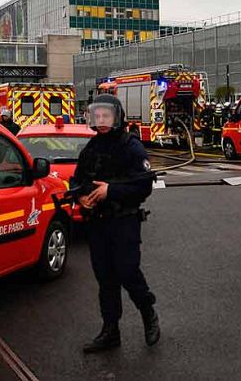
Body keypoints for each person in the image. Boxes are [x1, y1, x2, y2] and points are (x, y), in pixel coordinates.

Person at [72, 94, 160, 353]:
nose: (101, 120)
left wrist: (111, 191)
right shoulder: (92, 148)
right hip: (98, 224)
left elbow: (144, 184)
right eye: (97, 116)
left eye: (106, 115)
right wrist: (80, 196)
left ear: (117, 116)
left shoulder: (130, 146)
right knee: (105, 279)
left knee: (128, 272)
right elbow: (77, 179)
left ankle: (148, 314)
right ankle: (111, 331)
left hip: (124, 221)